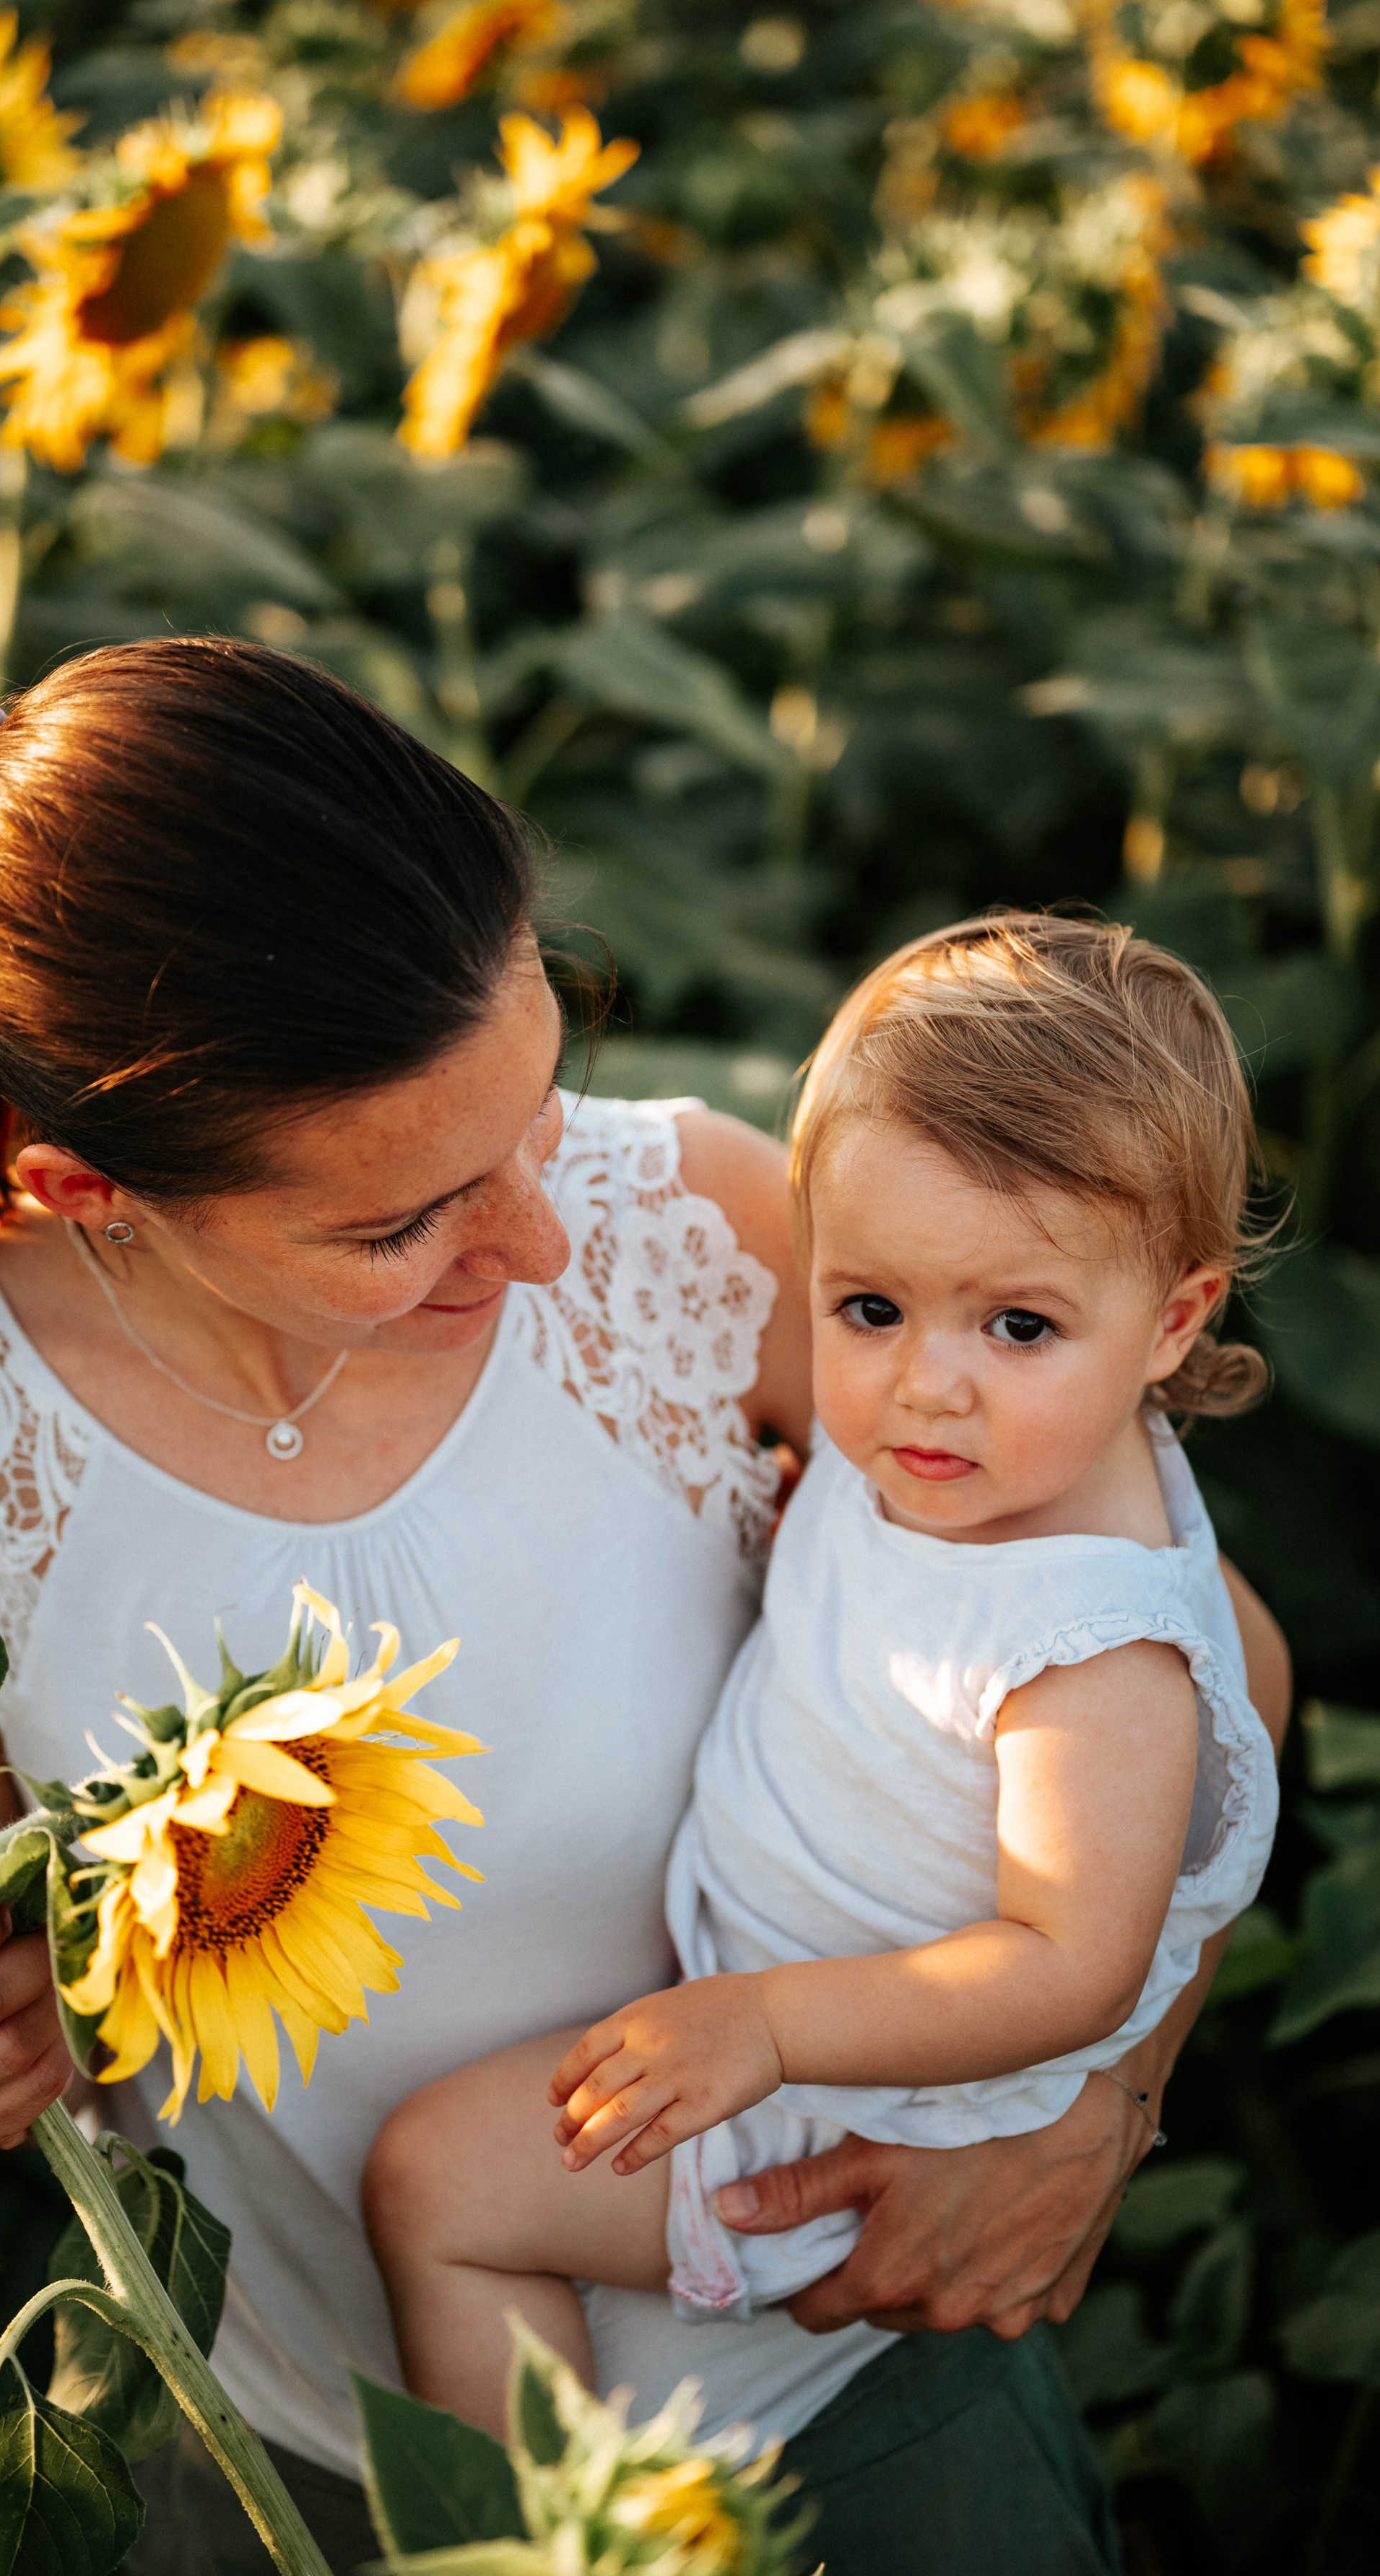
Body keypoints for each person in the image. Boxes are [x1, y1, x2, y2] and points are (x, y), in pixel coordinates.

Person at [0, 646, 1291, 2576]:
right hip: (301, 2484)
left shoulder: (707, 1232)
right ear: (86, 1187)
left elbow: (1199, 1655)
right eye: (403, 1215)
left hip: (845, 2388)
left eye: (536, 1107)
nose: (548, 1236)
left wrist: (1100, 2095)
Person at [362, 917, 1277, 2456]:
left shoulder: (1090, 1650)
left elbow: (1071, 1963)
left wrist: (767, 2027)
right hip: (765, 1997)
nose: (925, 1381)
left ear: (1170, 1322)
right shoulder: (965, 1464)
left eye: (1017, 1325)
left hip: (863, 2107)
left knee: (437, 2183)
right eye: (868, 1308)